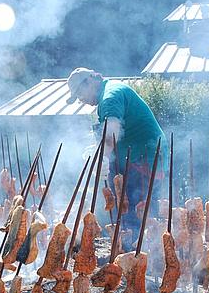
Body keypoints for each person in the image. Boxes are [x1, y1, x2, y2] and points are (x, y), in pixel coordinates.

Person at [66, 67, 167, 235]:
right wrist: (96, 150)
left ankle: (136, 254)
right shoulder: (107, 94)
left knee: (137, 212)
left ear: (90, 80)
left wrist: (103, 159)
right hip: (133, 158)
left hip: (143, 160)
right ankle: (126, 248)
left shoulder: (110, 97)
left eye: (80, 93)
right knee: (124, 210)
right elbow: (105, 133)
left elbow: (111, 133)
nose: (80, 99)